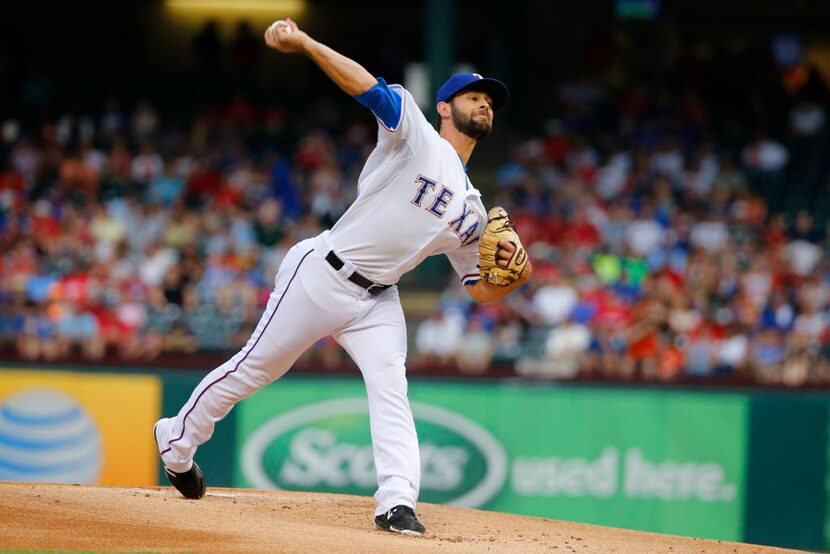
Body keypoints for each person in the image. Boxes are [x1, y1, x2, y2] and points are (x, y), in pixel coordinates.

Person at [153, 17, 532, 536]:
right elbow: (369, 89)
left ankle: (396, 502)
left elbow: (482, 291)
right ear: (444, 107)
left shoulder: (475, 213)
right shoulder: (418, 138)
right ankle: (176, 440)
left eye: (490, 99)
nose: (485, 102)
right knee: (254, 370)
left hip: (378, 300)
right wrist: (307, 43)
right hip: (322, 273)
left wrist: (509, 281)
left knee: (390, 384)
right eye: (473, 95)